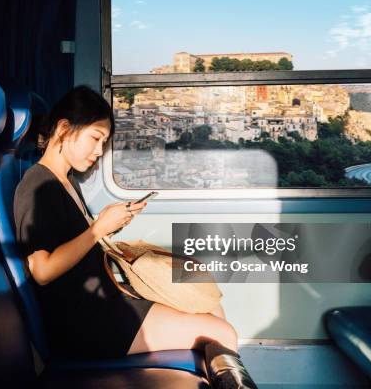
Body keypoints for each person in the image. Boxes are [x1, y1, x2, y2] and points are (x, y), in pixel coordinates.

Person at [14, 86, 257, 388]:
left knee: (210, 308)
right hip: (85, 323)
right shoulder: (37, 186)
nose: (98, 151)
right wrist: (98, 229)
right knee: (223, 334)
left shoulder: (65, 181)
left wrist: (110, 226)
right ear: (65, 128)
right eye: (95, 138)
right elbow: (42, 270)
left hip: (104, 304)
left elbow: (74, 242)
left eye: (103, 142)